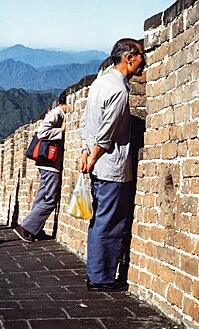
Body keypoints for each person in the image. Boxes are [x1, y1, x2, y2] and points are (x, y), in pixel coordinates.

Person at [78, 38, 145, 292]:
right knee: (109, 222)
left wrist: (86, 151)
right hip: (112, 167)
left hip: (99, 165)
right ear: (129, 58)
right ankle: (100, 278)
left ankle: (97, 274)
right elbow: (107, 131)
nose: (144, 61)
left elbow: (85, 123)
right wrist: (93, 155)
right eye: (141, 55)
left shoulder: (100, 83)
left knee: (100, 219)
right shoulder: (118, 89)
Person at [14, 91, 67, 243]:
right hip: (50, 164)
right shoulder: (56, 114)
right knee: (50, 198)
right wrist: (60, 131)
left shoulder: (60, 114)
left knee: (42, 197)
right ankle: (24, 227)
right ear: (64, 103)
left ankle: (35, 230)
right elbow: (42, 132)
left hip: (47, 164)